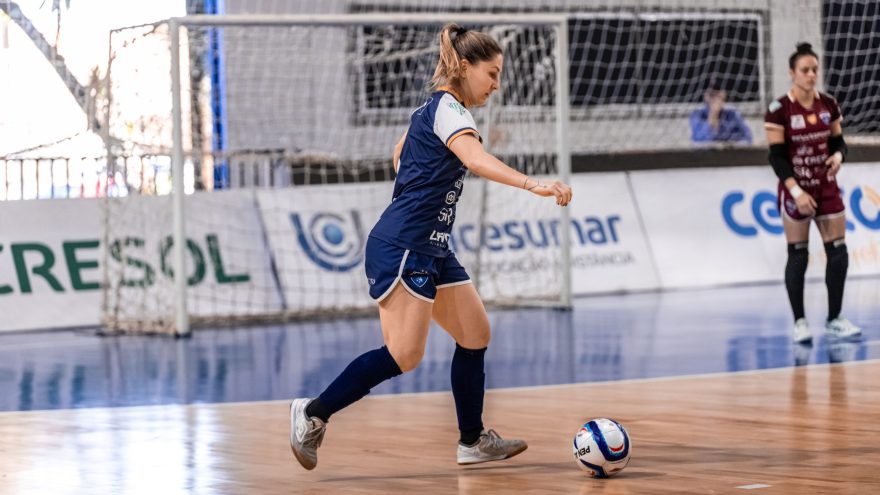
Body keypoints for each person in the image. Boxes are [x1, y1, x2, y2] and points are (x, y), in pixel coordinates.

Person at [289, 23, 573, 470]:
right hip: (404, 245)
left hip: (432, 245)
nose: (496, 85)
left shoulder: (433, 110)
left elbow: (399, 152)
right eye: (492, 74)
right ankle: (313, 413)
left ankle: (472, 441)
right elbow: (474, 159)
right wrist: (532, 184)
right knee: (404, 355)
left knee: (475, 333)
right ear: (465, 67)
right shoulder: (450, 109)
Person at [764, 42, 861, 344]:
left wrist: (838, 157)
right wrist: (795, 192)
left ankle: (834, 319)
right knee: (798, 254)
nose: (811, 75)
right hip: (797, 188)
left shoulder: (828, 104)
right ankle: (800, 322)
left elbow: (838, 142)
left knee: (839, 253)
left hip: (826, 186)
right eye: (805, 70)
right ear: (792, 73)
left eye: (814, 69)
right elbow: (777, 157)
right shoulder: (779, 110)